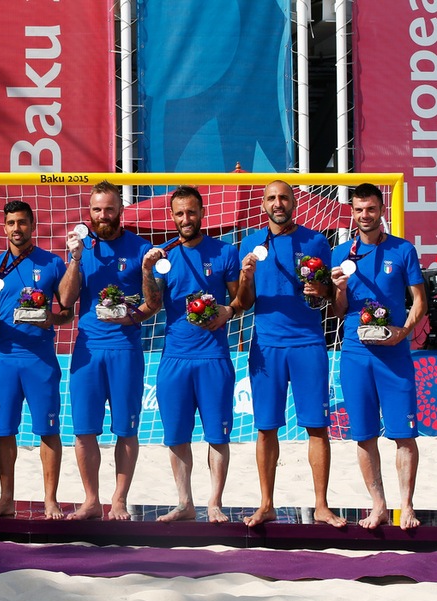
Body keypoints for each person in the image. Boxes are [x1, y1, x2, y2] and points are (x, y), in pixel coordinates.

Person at [236, 181, 346, 528]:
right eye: (271, 198)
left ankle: (321, 506)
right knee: (266, 428)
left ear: (294, 202)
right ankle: (266, 503)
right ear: (264, 204)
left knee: (317, 426)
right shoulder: (251, 242)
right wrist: (245, 277)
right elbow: (246, 301)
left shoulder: (315, 241)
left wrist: (324, 287)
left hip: (308, 343)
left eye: (283, 197)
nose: (277, 203)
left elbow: (327, 294)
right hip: (266, 345)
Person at [331, 182, 428, 530]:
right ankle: (378, 506)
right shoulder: (341, 253)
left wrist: (404, 332)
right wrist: (339, 291)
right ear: (352, 212)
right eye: (358, 209)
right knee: (364, 433)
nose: (364, 215)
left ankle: (407, 506)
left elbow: (419, 300)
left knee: (404, 433)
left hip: (395, 354)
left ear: (381, 209)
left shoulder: (402, 250)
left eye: (370, 208)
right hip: (355, 353)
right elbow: (340, 309)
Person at [140, 186, 240, 523]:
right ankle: (185, 503)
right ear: (172, 216)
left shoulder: (224, 252)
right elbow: (153, 305)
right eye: (179, 213)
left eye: (191, 212)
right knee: (177, 435)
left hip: (213, 356)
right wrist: (146, 271)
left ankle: (214, 503)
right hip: (174, 358)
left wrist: (227, 310)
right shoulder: (164, 258)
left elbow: (239, 300)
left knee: (217, 434)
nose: (186, 219)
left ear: (202, 213)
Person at [59, 181, 154, 521]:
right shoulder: (82, 247)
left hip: (125, 349)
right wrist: (74, 259)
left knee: (126, 430)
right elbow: (66, 300)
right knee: (84, 431)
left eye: (109, 209)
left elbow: (153, 302)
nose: (102, 215)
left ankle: (118, 500)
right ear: (90, 211)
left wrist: (135, 316)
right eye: (96, 209)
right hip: (87, 349)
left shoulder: (140, 247)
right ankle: (90, 500)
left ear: (120, 210)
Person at [0, 200, 71, 520]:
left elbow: (67, 311)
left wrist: (50, 320)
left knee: (48, 430)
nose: (16, 228)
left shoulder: (52, 263)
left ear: (33, 226)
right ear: (4, 228)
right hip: (4, 357)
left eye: (22, 222)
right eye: (11, 223)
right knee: (3, 432)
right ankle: (6, 499)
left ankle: (50, 500)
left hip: (40, 358)